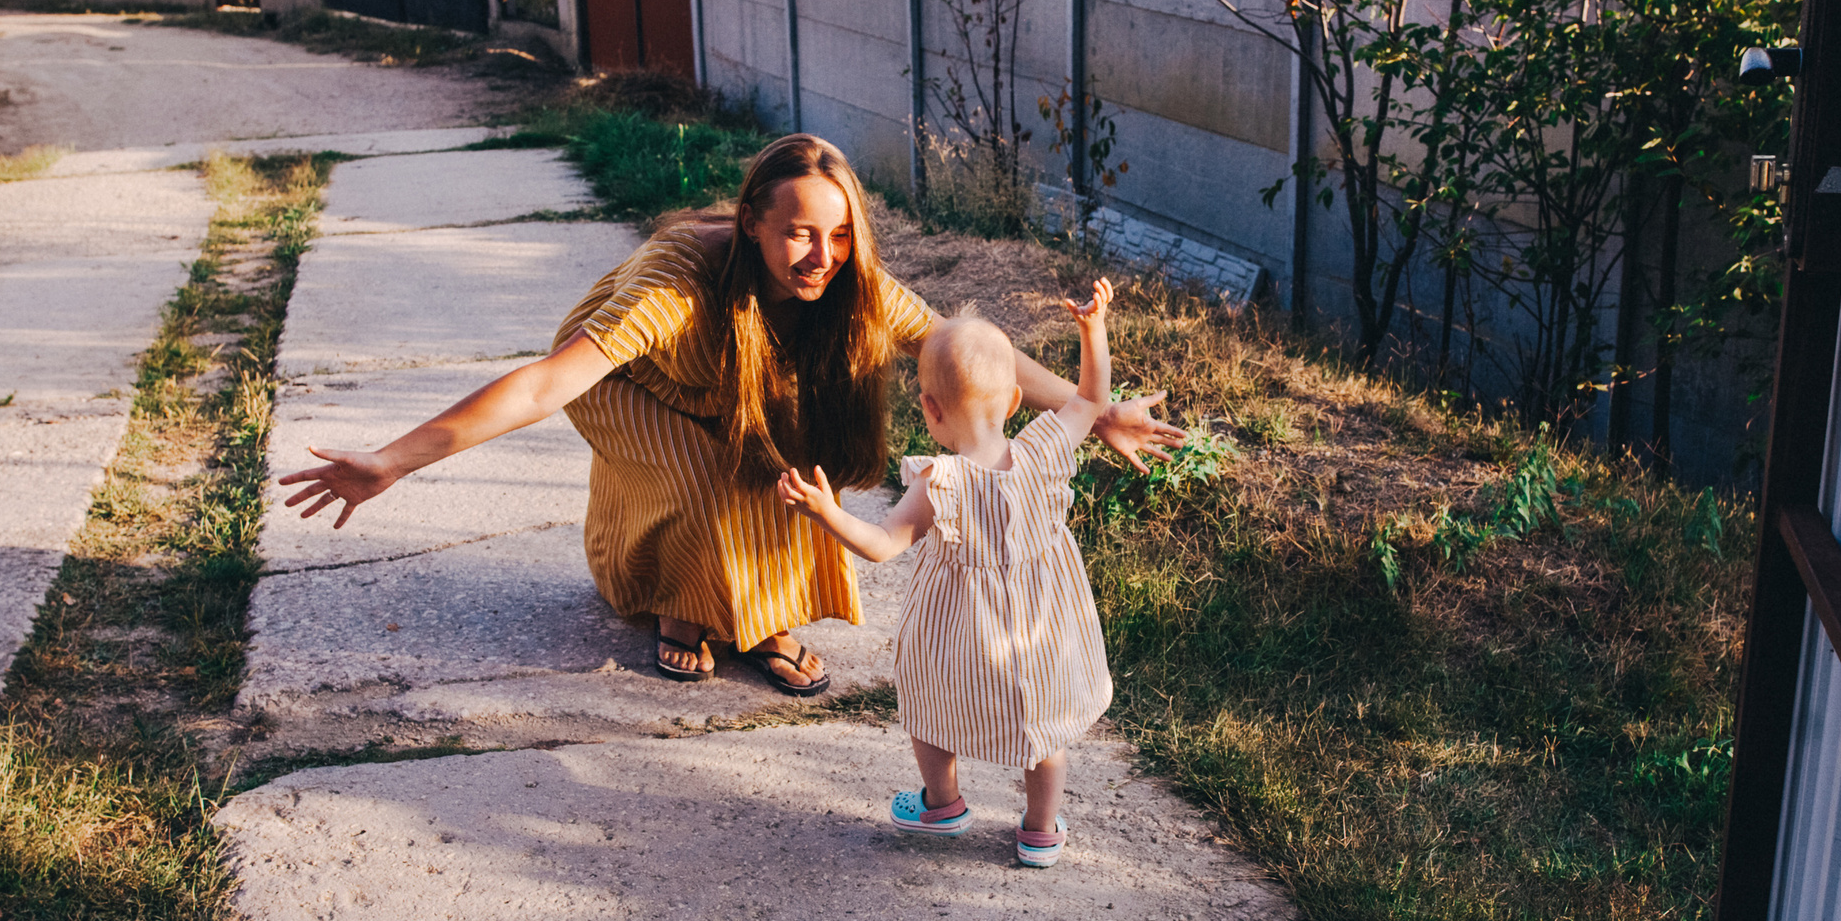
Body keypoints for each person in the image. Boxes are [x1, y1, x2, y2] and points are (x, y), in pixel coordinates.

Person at [277, 135, 1181, 696]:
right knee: (706, 473)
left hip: (720, 383)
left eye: (837, 234)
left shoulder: (846, 281)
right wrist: (395, 459)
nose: (821, 254)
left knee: (777, 466)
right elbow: (543, 383)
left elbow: (960, 341)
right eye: (798, 232)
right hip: (624, 384)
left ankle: (755, 617)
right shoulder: (676, 286)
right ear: (752, 220)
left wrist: (1093, 414)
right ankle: (680, 601)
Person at [775, 280, 1118, 868]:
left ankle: (942, 803)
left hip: (959, 638)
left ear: (930, 410)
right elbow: (1091, 400)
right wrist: (1092, 329)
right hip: (1043, 631)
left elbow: (882, 546)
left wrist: (826, 512)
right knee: (1044, 729)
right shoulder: (1043, 450)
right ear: (1014, 402)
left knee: (932, 706)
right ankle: (1038, 832)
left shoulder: (940, 483)